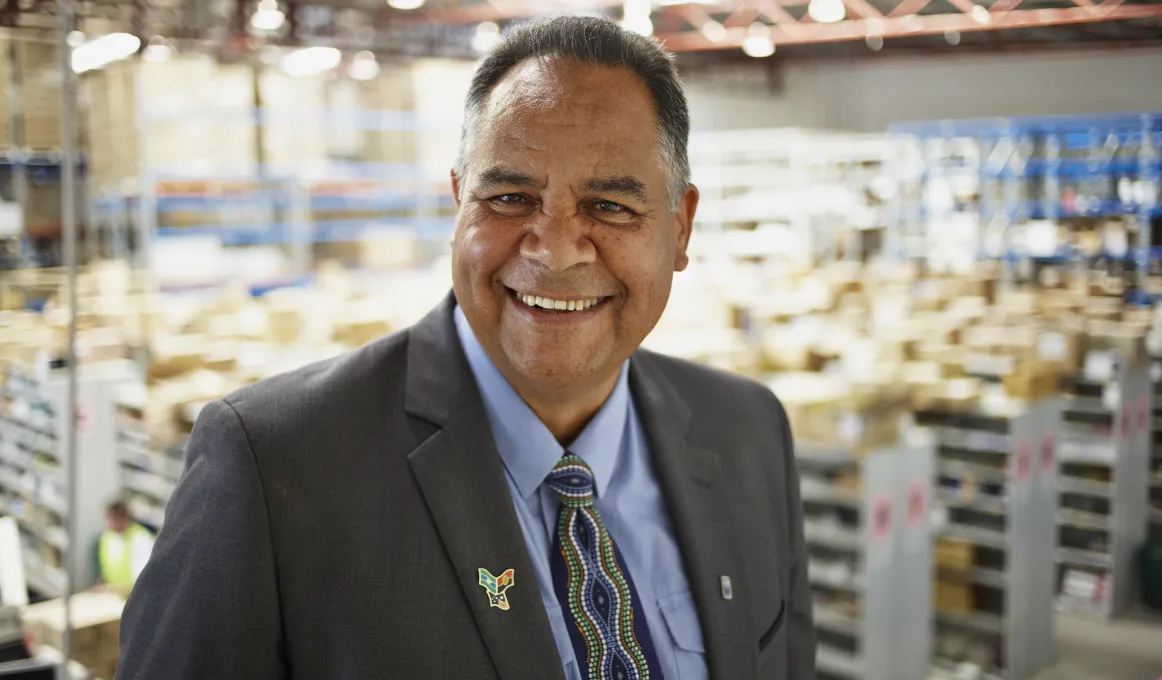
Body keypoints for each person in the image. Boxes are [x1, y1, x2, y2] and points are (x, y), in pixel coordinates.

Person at [117, 15, 815, 680]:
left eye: (609, 206)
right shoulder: (274, 468)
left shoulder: (749, 432)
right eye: (510, 197)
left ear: (681, 228)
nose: (555, 248)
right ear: (458, 204)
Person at [96, 500, 154, 595]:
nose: (109, 523)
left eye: (113, 519)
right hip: (113, 598)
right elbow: (107, 570)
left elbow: (143, 580)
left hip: (135, 598)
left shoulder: (140, 538)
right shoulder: (107, 537)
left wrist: (111, 590)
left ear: (124, 518)